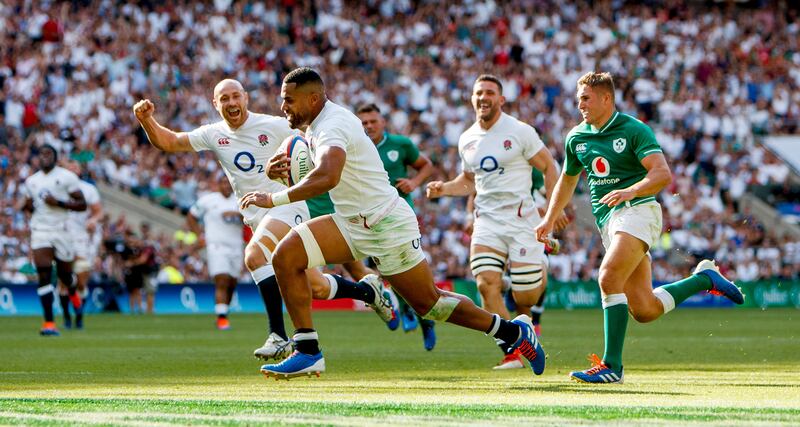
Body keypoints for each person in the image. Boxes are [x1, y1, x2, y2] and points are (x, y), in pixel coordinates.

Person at [244, 67, 544, 379]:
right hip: (351, 222)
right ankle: (307, 351)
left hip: (386, 225)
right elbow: (319, 169)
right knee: (284, 256)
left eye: (288, 100)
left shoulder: (332, 125)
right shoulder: (318, 124)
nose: (283, 107)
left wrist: (275, 199)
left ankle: (513, 332)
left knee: (430, 305)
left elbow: (328, 176)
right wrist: (275, 170)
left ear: (313, 99)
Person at [132, 79, 398, 361]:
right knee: (316, 287)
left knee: (255, 256)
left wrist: (297, 167)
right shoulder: (214, 134)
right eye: (224, 99)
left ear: (246, 98)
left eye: (236, 96)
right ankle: (367, 291)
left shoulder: (274, 125)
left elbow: (314, 138)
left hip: (285, 206)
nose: (231, 102)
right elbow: (169, 141)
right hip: (257, 216)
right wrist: (147, 119)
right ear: (215, 104)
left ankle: (279, 337)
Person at [535, 71, 744, 384]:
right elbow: (567, 179)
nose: (580, 104)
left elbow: (662, 174)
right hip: (610, 223)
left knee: (608, 276)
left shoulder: (633, 129)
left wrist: (632, 190)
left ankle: (611, 366)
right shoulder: (576, 137)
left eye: (586, 98)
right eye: (579, 98)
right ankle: (704, 279)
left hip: (638, 210)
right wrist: (549, 219)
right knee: (644, 310)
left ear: (607, 98)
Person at [426, 74, 564, 370]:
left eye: (490, 92)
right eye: (479, 92)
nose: (483, 97)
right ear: (472, 98)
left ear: (501, 99)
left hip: (521, 219)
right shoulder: (467, 138)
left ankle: (538, 271)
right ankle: (514, 350)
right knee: (485, 283)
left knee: (525, 296)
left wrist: (551, 213)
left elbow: (550, 167)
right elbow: (468, 181)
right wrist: (444, 188)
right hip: (487, 220)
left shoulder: (519, 131)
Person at [355, 103, 437, 351]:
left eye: (373, 121)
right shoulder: (355, 147)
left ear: (383, 122)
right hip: (370, 218)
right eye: (364, 123)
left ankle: (423, 318)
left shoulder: (400, 144)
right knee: (387, 270)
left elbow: (426, 165)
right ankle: (409, 310)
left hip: (401, 215)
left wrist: (415, 182)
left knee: (407, 268)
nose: (369, 126)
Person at [18, 145, 87, 335]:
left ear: (55, 157)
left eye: (48, 154)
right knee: (43, 273)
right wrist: (27, 206)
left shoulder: (66, 177)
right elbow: (30, 205)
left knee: (65, 276)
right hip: (40, 229)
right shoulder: (31, 181)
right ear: (37, 158)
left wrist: (59, 203)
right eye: (41, 154)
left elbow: (82, 204)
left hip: (62, 230)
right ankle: (49, 323)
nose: (44, 157)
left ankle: (75, 300)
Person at [187, 179, 243, 330]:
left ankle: (224, 311)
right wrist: (200, 235)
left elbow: (250, 219)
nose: (226, 186)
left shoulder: (240, 199)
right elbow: (191, 216)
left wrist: (241, 217)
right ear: (218, 185)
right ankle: (222, 319)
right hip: (216, 246)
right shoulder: (208, 200)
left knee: (232, 283)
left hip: (236, 246)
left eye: (229, 184)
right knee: (222, 280)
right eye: (223, 184)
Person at [59, 160, 103, 329]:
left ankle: (79, 314)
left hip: (81, 237)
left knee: (81, 282)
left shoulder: (88, 189)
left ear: (79, 171)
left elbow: (98, 212)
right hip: (61, 236)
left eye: (75, 166)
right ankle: (66, 317)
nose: (72, 169)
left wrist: (93, 220)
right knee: (64, 281)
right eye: (69, 167)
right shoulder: (58, 187)